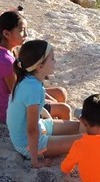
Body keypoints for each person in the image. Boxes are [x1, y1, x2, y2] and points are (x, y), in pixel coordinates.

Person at [6, 40, 83, 168]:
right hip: (28, 144)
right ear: (40, 66)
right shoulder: (33, 88)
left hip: (39, 128)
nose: (55, 62)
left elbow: (33, 111)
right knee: (84, 140)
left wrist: (48, 118)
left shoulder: (28, 79)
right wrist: (35, 162)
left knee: (80, 127)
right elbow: (31, 129)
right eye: (52, 59)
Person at [0, 12, 72, 123]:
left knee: (61, 93)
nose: (26, 34)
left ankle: (52, 125)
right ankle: (60, 134)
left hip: (17, 98)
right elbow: (18, 94)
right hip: (7, 111)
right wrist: (48, 101)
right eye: (22, 30)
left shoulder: (8, 51)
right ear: (7, 34)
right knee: (64, 109)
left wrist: (49, 100)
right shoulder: (5, 61)